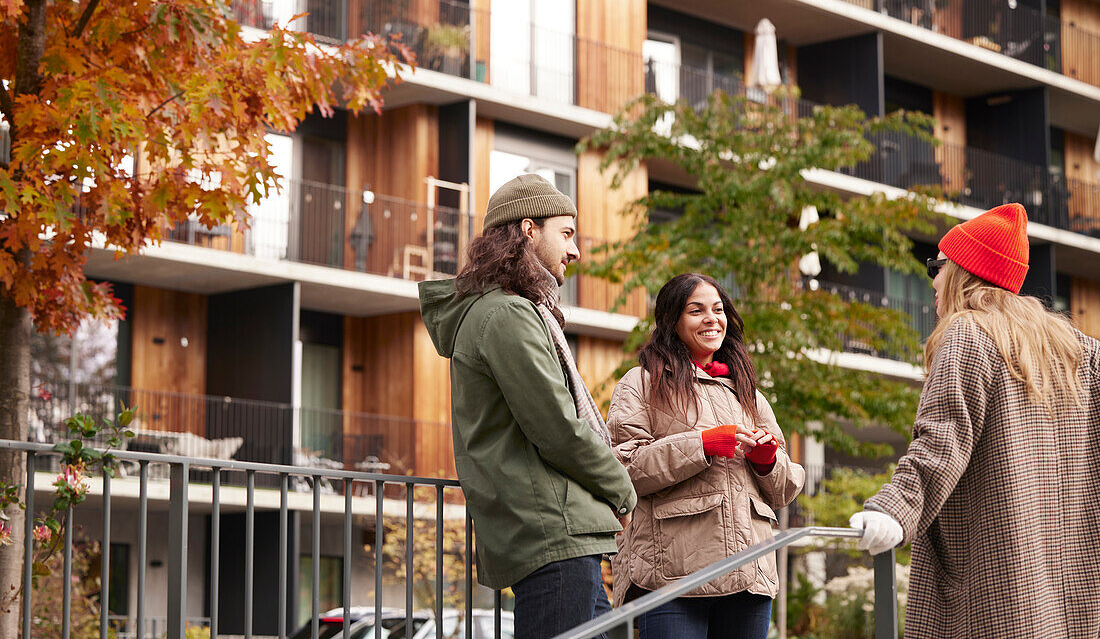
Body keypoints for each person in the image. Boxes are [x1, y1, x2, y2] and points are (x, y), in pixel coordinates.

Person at [849, 203, 1100, 637]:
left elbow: (942, 439)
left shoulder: (970, 333)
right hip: (1069, 597)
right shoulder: (1081, 351)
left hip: (997, 587)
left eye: (937, 266)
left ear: (965, 270)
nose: (933, 279)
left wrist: (894, 510)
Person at [418, 174, 637, 639]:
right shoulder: (508, 315)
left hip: (554, 530)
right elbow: (557, 426)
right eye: (567, 233)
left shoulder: (507, 311)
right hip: (552, 532)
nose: (575, 251)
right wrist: (622, 488)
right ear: (528, 229)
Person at [607, 273, 805, 639]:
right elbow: (624, 469)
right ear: (672, 321)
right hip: (675, 575)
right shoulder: (640, 383)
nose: (712, 319)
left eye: (718, 309)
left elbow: (785, 488)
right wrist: (703, 444)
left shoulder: (748, 393)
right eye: (696, 310)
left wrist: (765, 460)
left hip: (750, 574)